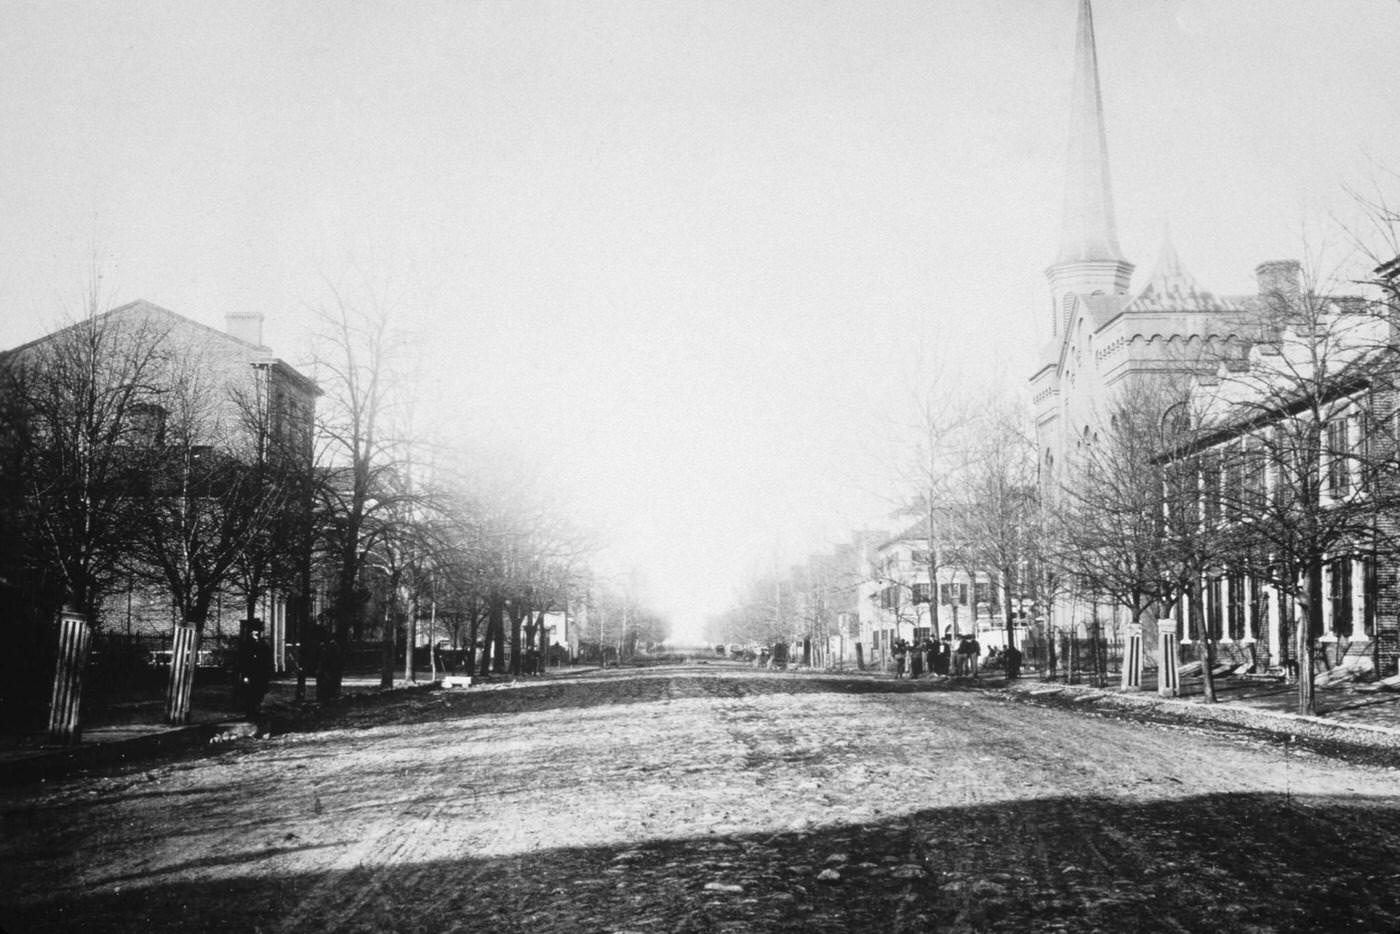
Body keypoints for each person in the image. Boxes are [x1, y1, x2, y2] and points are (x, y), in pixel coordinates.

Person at [242, 632, 274, 722]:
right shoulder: (247, 646)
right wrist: (245, 675)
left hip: (261, 673)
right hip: (251, 673)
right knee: (250, 693)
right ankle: (250, 712)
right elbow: (244, 661)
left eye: (257, 634)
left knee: (260, 692)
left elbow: (268, 659)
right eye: (254, 634)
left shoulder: (264, 645)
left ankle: (257, 708)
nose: (256, 636)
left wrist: (269, 671)